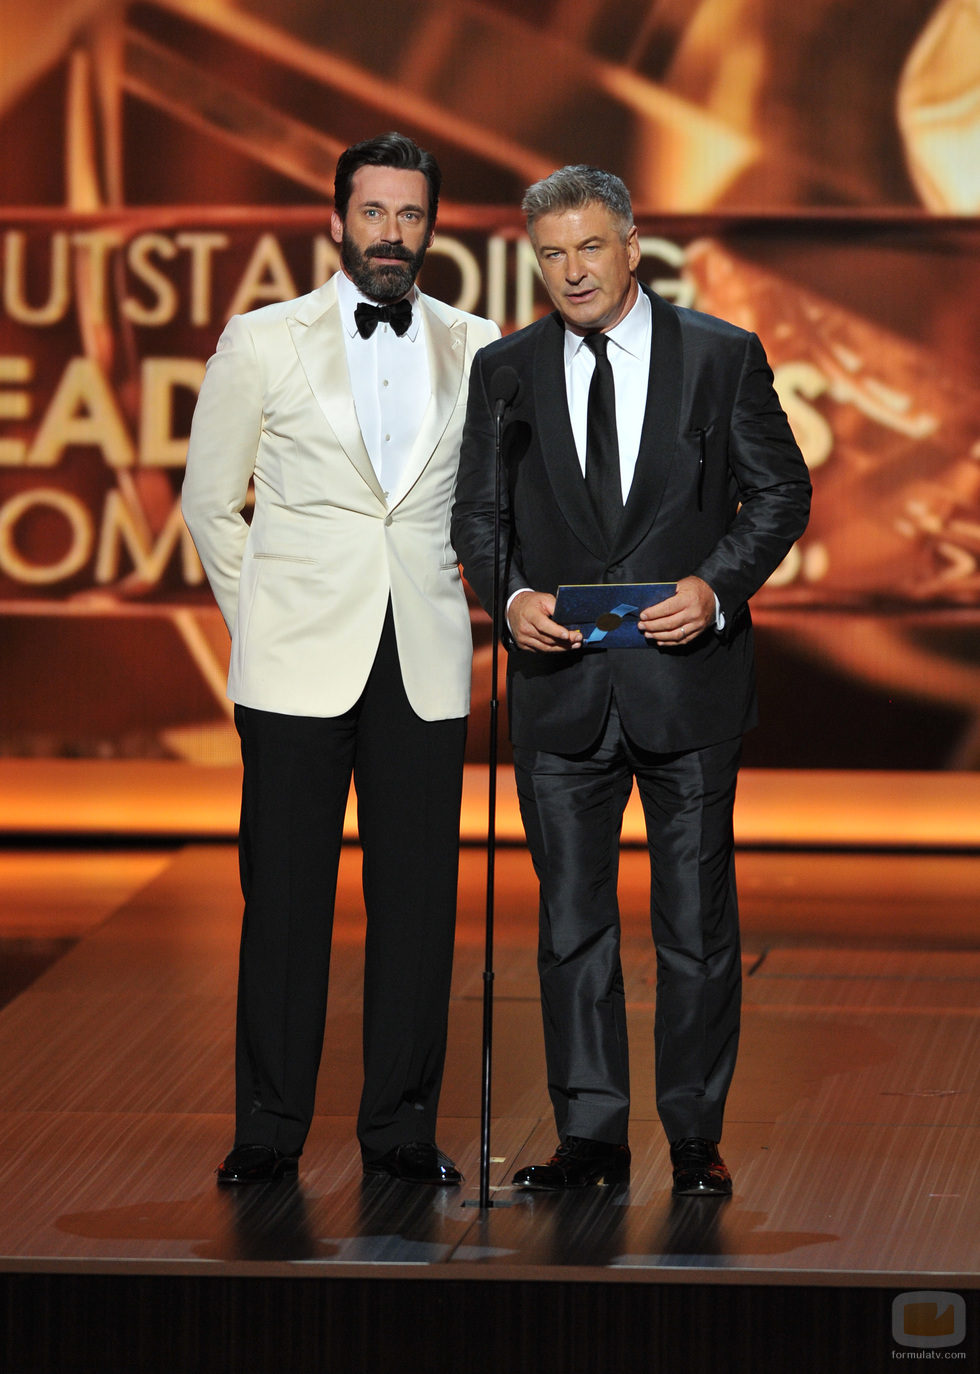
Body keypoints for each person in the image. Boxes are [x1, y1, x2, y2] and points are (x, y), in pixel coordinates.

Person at [452, 166, 810, 1196]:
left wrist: (714, 589)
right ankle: (591, 1141)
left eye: (588, 248)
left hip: (684, 685)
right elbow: (478, 514)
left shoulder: (717, 356)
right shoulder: (506, 370)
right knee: (571, 926)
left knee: (694, 927)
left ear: (631, 244)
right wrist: (508, 596)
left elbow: (778, 493)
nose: (571, 272)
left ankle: (693, 1137)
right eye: (551, 255)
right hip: (560, 695)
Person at [182, 132, 499, 1187]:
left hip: (422, 658)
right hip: (292, 666)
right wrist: (262, 615)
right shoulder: (263, 340)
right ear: (336, 220)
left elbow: (487, 507)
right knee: (283, 904)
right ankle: (268, 1131)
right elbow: (209, 504)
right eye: (373, 214)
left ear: (432, 226)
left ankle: (401, 1129)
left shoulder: (477, 343)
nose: (391, 235)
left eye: (410, 216)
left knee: (415, 906)